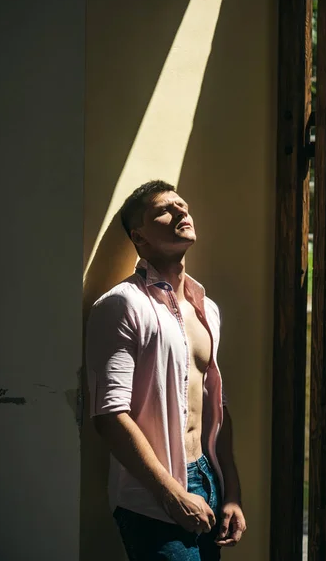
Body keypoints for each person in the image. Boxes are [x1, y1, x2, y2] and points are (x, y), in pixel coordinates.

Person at [86, 180, 246, 560]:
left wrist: (233, 493)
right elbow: (109, 415)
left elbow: (216, 406)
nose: (181, 212)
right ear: (138, 236)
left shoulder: (206, 307)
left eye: (183, 205)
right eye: (165, 209)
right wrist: (172, 494)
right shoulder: (122, 305)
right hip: (152, 495)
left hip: (208, 478)